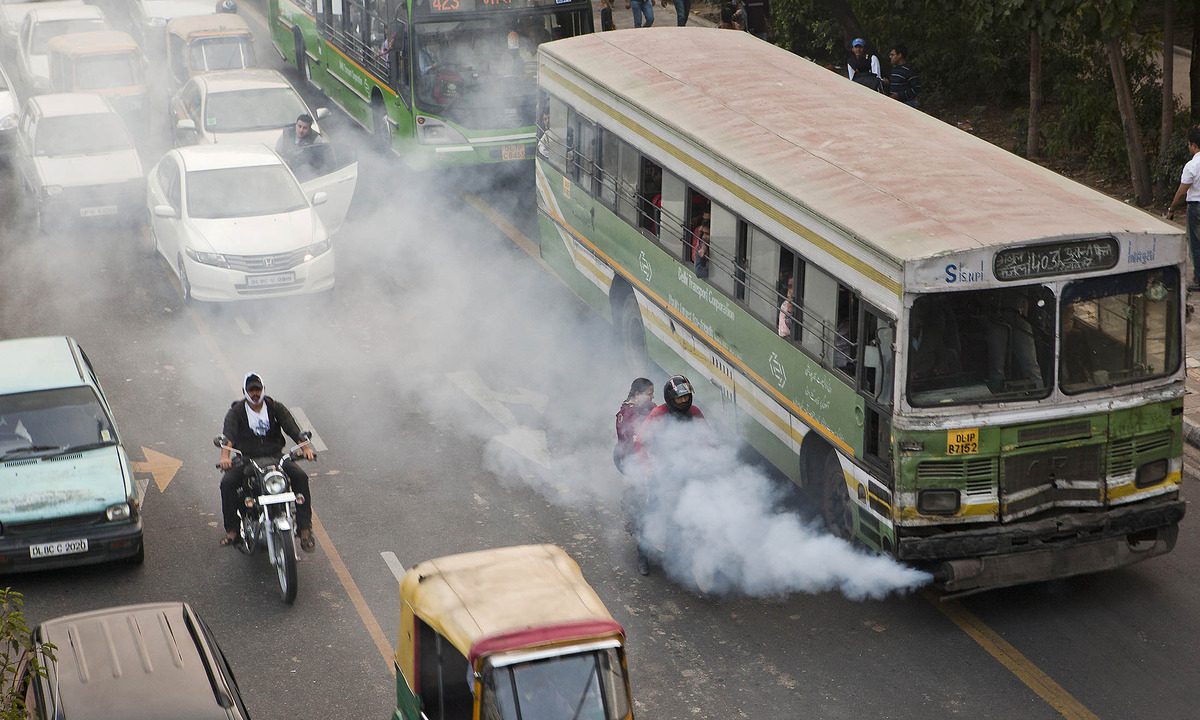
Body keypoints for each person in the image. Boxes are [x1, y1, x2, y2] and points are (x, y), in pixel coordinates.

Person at [218, 373, 317, 551]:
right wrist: (225, 457)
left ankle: (304, 529)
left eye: (258, 389)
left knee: (300, 477)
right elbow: (228, 437)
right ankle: (232, 530)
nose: (255, 393)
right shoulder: (236, 412)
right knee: (227, 483)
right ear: (244, 392)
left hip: (275, 456)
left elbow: (292, 428)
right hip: (247, 458)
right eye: (251, 390)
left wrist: (305, 448)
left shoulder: (274, 407)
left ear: (263, 390)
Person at [1165, 126, 1200, 292]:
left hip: (1196, 208)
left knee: (1196, 244)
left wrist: (1172, 208)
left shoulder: (1192, 166)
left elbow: (1182, 191)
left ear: (1193, 146)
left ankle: (1199, 279)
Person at [614, 378, 654, 473]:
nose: (652, 397)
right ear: (637, 394)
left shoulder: (644, 407)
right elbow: (637, 440)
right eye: (649, 394)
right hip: (632, 459)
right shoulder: (628, 414)